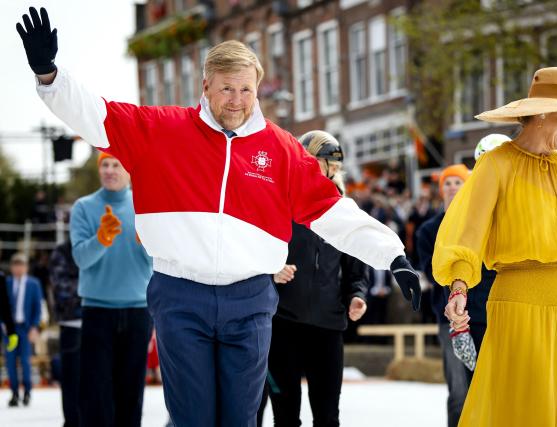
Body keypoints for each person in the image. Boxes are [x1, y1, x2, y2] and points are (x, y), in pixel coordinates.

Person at [17, 8, 421, 426]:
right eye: (227, 88)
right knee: (193, 418)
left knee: (240, 419)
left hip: (249, 300)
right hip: (180, 295)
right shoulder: (163, 131)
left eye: (246, 90)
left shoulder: (280, 150)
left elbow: (332, 210)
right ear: (206, 85)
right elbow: (96, 114)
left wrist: (394, 256)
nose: (237, 100)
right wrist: (49, 74)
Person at [433, 67, 557, 427]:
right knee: (519, 413)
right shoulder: (496, 164)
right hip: (519, 306)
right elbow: (466, 233)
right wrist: (458, 289)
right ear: (543, 111)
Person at [261, 131, 369, 427]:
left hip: (328, 326)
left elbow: (356, 267)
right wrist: (272, 269)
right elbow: (254, 251)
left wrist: (357, 295)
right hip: (283, 324)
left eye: (317, 162)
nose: (308, 167)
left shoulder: (343, 210)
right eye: (307, 161)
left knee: (327, 417)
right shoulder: (279, 203)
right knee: (285, 416)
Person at [69, 151, 153, 427]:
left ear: (128, 170)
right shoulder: (83, 207)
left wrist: (149, 245)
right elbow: (81, 258)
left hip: (138, 311)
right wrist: (101, 239)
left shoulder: (145, 205)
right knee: (95, 391)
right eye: (104, 164)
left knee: (130, 390)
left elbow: (157, 264)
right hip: (97, 312)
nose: (109, 170)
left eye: (116, 164)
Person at [416, 155, 500, 427]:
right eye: (447, 182)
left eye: (458, 181)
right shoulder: (429, 229)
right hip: (450, 318)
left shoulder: (483, 224)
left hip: (487, 314)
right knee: (459, 392)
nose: (452, 186)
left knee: (489, 389)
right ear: (442, 189)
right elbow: (431, 271)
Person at [49, 239, 81, 427]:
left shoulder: (105, 243)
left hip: (101, 320)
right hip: (71, 323)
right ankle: (72, 421)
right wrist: (94, 285)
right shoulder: (62, 250)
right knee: (71, 379)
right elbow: (60, 286)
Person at [5, 252, 43, 407]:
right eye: (16, 265)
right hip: (10, 329)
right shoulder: (6, 283)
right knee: (10, 361)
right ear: (12, 267)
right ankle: (14, 393)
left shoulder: (33, 284)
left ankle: (27, 391)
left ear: (26, 267)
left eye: (21, 265)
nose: (18, 269)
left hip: (26, 328)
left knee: (26, 361)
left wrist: (35, 327)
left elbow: (37, 307)